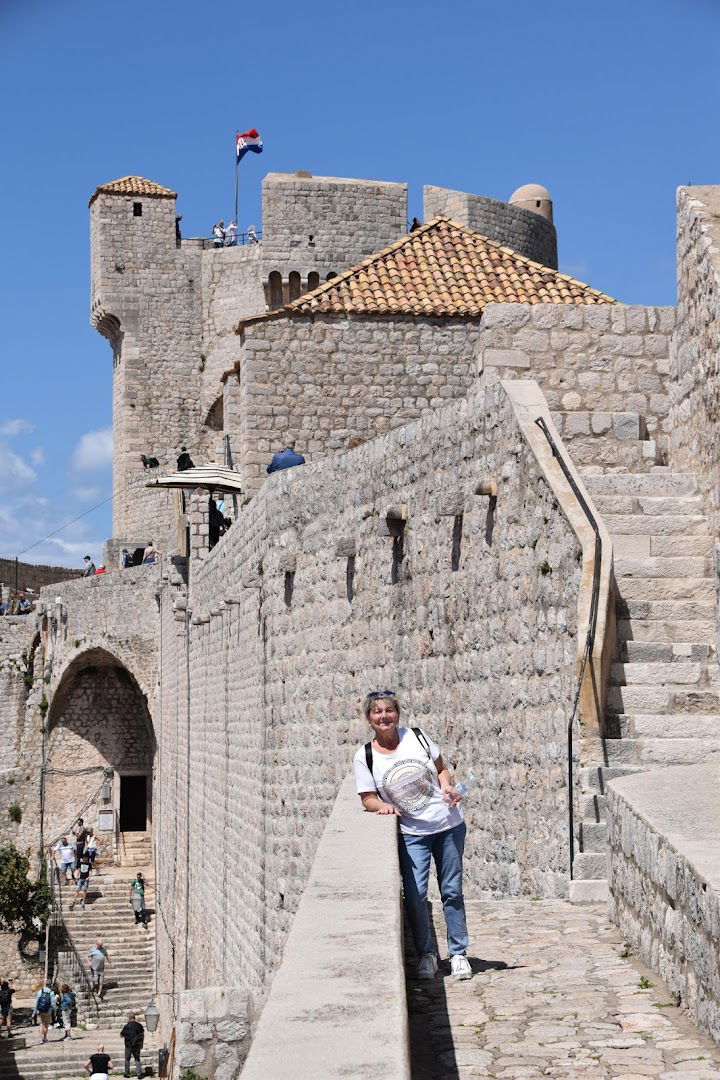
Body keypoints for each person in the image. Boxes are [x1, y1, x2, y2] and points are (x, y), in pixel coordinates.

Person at [353, 691, 473, 982]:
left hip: (447, 824)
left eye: (389, 710)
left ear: (397, 714)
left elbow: (441, 770)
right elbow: (367, 798)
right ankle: (427, 954)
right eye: (377, 712)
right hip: (411, 833)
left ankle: (458, 954)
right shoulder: (365, 756)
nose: (384, 716)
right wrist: (382, 806)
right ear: (369, 719)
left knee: (452, 890)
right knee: (416, 895)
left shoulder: (417, 737)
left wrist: (447, 787)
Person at [120, 1012, 145, 1078]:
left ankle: (127, 1074)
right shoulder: (139, 1025)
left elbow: (121, 1035)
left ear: (129, 1018)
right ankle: (139, 1074)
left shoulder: (126, 1026)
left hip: (128, 1045)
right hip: (137, 1045)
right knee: (137, 1059)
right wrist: (142, 1043)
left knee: (127, 1059)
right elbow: (142, 1034)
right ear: (134, 1018)